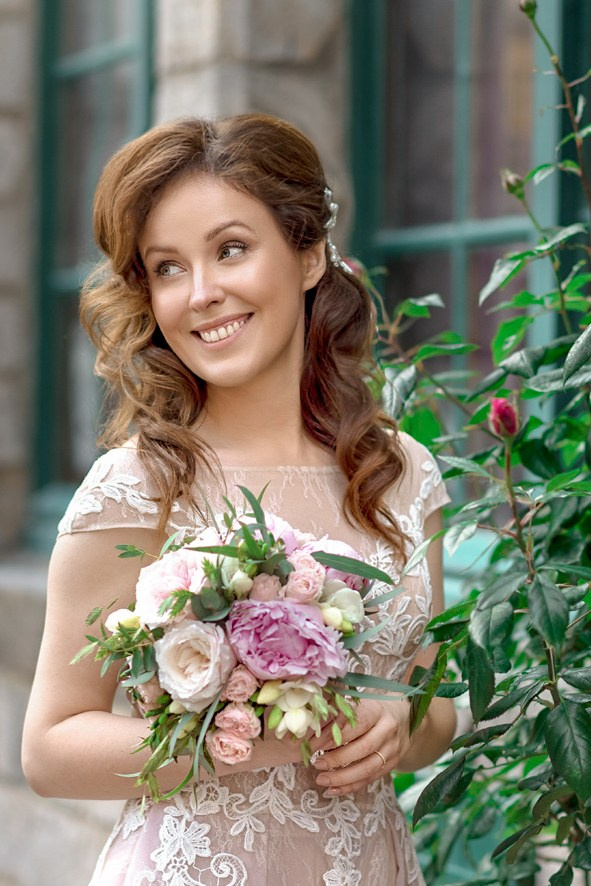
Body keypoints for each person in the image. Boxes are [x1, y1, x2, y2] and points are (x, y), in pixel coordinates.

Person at [22, 113, 456, 885]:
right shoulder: (138, 486)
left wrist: (398, 724)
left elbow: (434, 704)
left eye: (230, 249)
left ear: (309, 254)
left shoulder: (401, 474)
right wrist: (267, 736)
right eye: (167, 267)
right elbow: (51, 750)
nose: (201, 294)